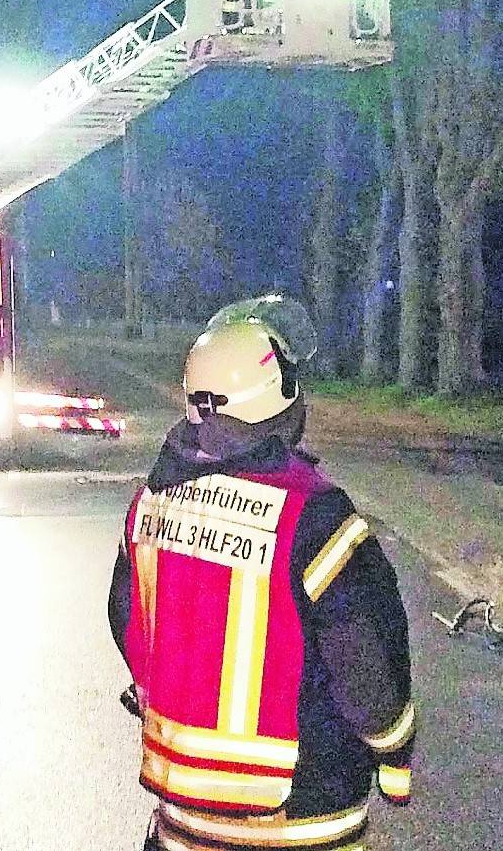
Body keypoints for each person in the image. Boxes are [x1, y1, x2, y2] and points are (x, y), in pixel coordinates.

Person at [108, 297, 415, 851]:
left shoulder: (151, 503)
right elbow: (364, 659)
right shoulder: (314, 518)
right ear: (284, 400)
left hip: (183, 816)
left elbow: (126, 618)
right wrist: (395, 754)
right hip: (305, 814)